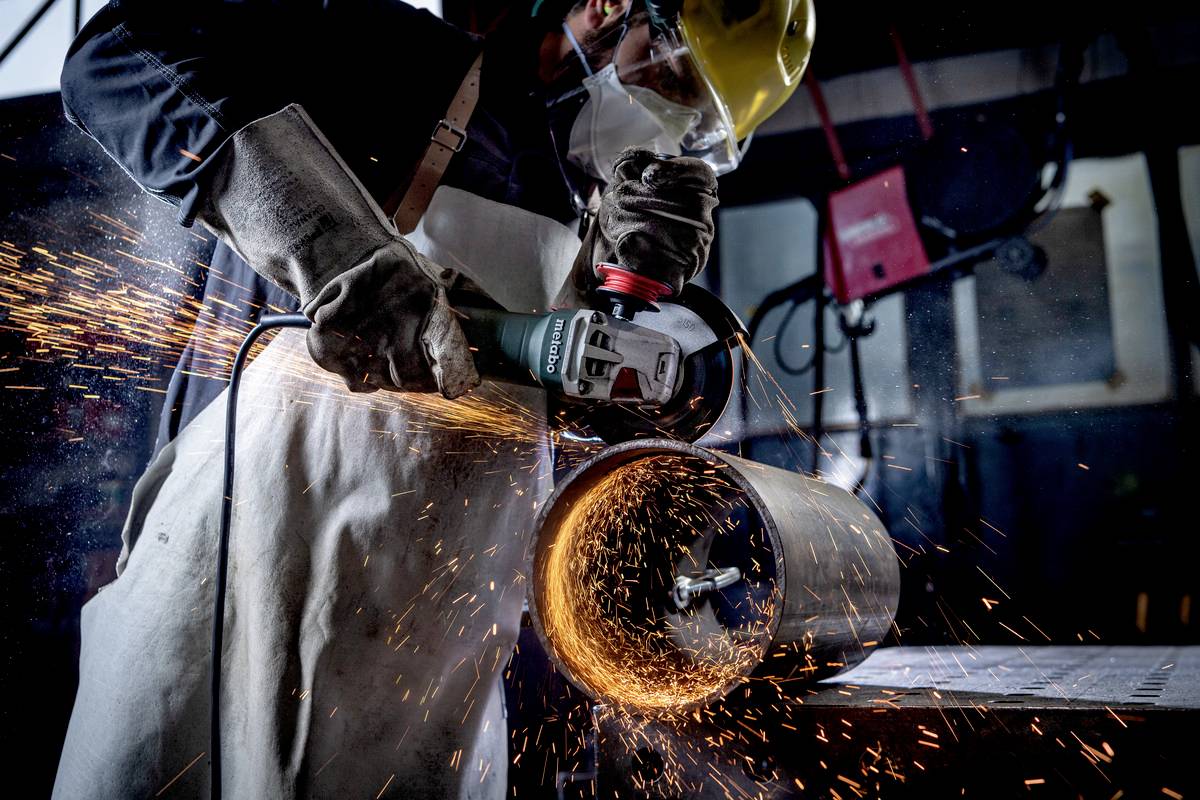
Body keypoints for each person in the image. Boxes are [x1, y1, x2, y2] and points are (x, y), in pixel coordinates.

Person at [52, 0, 814, 797]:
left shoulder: (589, 194)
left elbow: (558, 411)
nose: (673, 116)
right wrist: (338, 248)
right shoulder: (401, 56)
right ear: (611, 9)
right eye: (678, 78)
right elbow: (113, 56)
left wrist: (619, 295)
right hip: (268, 536)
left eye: (699, 122)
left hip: (438, 617)